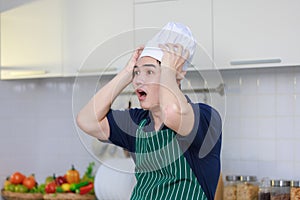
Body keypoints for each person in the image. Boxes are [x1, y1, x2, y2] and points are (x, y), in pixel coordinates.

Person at [76, 22, 222, 200]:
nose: (138, 81)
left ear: (178, 74)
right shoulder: (138, 122)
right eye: (137, 73)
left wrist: (170, 70)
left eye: (150, 72)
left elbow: (171, 112)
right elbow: (87, 120)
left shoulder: (206, 118)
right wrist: (126, 72)